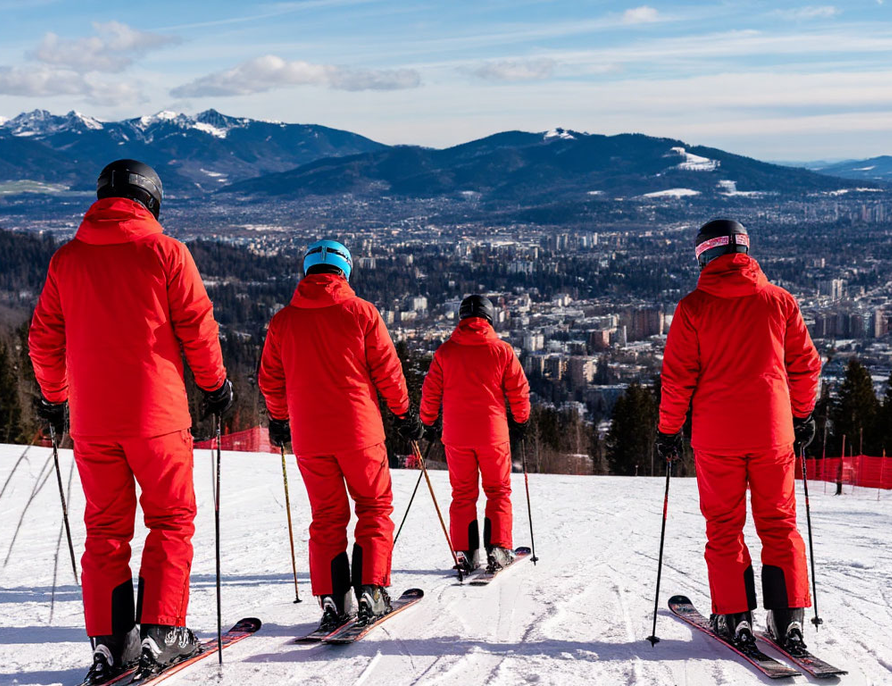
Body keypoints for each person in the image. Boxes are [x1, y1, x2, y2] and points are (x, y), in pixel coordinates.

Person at [30, 159, 234, 684]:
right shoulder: (165, 252)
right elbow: (197, 328)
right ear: (152, 200)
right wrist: (215, 387)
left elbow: (44, 339)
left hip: (93, 423)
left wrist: (56, 398)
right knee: (170, 520)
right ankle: (162, 631)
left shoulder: (67, 260)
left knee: (104, 531)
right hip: (157, 417)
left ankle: (109, 642)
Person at [656, 218, 821, 653]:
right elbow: (805, 365)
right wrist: (802, 415)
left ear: (705, 255)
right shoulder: (779, 301)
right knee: (780, 523)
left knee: (724, 527)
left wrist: (668, 430)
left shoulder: (693, 307)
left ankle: (735, 615)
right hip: (773, 433)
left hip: (717, 438)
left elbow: (677, 378)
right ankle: (788, 619)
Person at [258, 239, 423, 632]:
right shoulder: (362, 312)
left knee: (327, 517)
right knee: (374, 507)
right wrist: (404, 414)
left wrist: (280, 420)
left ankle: (333, 601)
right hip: (359, 431)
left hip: (309, 437)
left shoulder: (283, 321)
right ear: (345, 270)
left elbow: (271, 379)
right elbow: (387, 369)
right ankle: (371, 590)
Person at [419, 294, 530, 574]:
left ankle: (466, 553)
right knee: (498, 491)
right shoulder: (502, 350)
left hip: (456, 436)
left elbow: (430, 391)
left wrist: (428, 422)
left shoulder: (445, 352)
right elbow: (518, 389)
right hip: (493, 434)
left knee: (463, 494)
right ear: (490, 318)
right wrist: (521, 419)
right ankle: (498, 548)